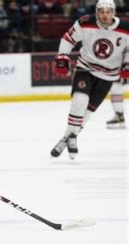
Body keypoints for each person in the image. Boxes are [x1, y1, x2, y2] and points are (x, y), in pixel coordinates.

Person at [51, 0, 129, 160]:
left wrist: (127, 63)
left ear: (113, 12)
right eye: (101, 11)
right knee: (80, 100)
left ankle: (68, 137)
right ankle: (71, 136)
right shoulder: (85, 23)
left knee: (86, 114)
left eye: (108, 11)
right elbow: (68, 38)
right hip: (86, 68)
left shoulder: (125, 28)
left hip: (109, 76)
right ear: (96, 12)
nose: (105, 15)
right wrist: (62, 56)